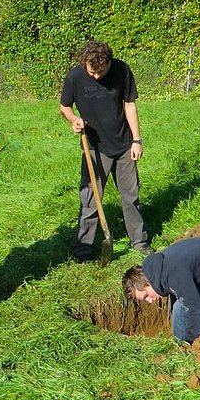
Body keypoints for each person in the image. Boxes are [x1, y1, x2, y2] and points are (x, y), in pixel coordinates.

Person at [60, 40, 152, 261]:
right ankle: (83, 248)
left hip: (123, 145)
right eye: (91, 73)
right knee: (91, 198)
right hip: (93, 147)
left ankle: (139, 242)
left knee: (131, 196)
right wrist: (74, 119)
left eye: (100, 72)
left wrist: (136, 140)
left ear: (109, 62)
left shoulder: (121, 70)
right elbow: (64, 107)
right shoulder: (75, 76)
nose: (96, 77)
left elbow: (129, 104)